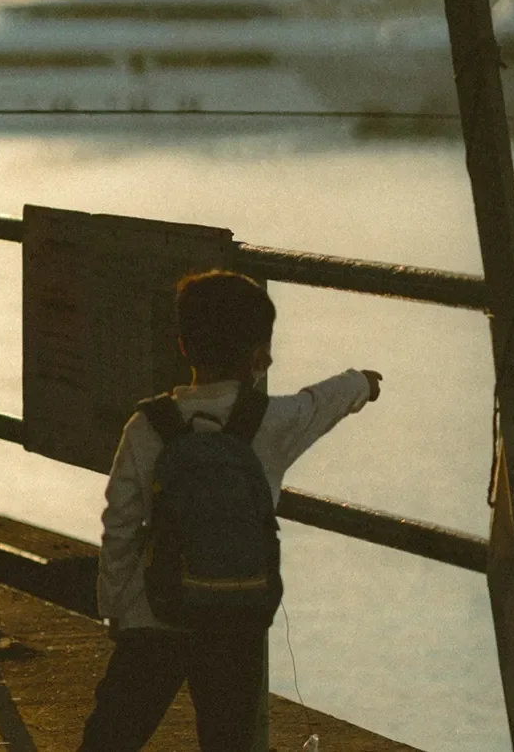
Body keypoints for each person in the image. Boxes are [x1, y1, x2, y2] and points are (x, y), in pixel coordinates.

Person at [78, 270, 383, 752]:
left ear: (182, 346)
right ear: (260, 354)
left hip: (153, 611)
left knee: (112, 734)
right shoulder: (273, 422)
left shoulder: (147, 425)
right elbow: (320, 403)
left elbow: (119, 524)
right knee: (228, 737)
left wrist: (115, 606)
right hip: (233, 614)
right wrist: (361, 383)